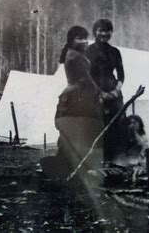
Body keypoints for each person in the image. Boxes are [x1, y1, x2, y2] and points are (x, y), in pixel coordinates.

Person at [40, 26, 103, 179]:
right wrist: (99, 93)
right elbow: (87, 79)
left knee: (70, 132)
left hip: (74, 95)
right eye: (79, 38)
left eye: (84, 38)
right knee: (80, 129)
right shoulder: (76, 56)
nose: (83, 41)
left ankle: (68, 165)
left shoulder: (73, 53)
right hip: (77, 97)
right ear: (71, 40)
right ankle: (73, 166)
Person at [85, 19, 126, 164]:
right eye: (100, 30)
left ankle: (116, 161)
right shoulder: (88, 51)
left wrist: (115, 91)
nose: (104, 34)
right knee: (96, 126)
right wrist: (100, 93)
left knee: (118, 125)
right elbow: (86, 75)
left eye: (107, 31)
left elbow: (121, 75)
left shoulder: (115, 52)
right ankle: (96, 161)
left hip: (114, 94)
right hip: (94, 94)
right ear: (95, 32)